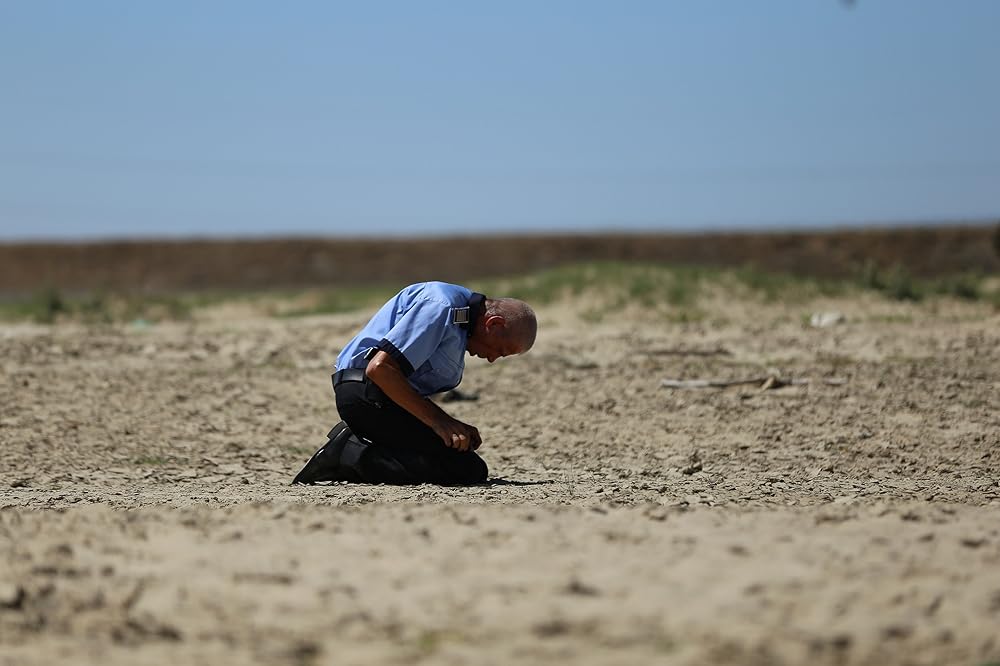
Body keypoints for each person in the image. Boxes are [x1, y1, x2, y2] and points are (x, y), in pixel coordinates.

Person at [292, 281, 537, 486]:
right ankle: (351, 454)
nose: (493, 359)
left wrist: (450, 424)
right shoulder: (441, 305)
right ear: (493, 324)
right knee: (465, 470)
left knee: (464, 462)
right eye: (500, 350)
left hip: (382, 399)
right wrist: (440, 422)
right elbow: (381, 369)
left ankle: (354, 449)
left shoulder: (461, 321)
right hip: (365, 394)